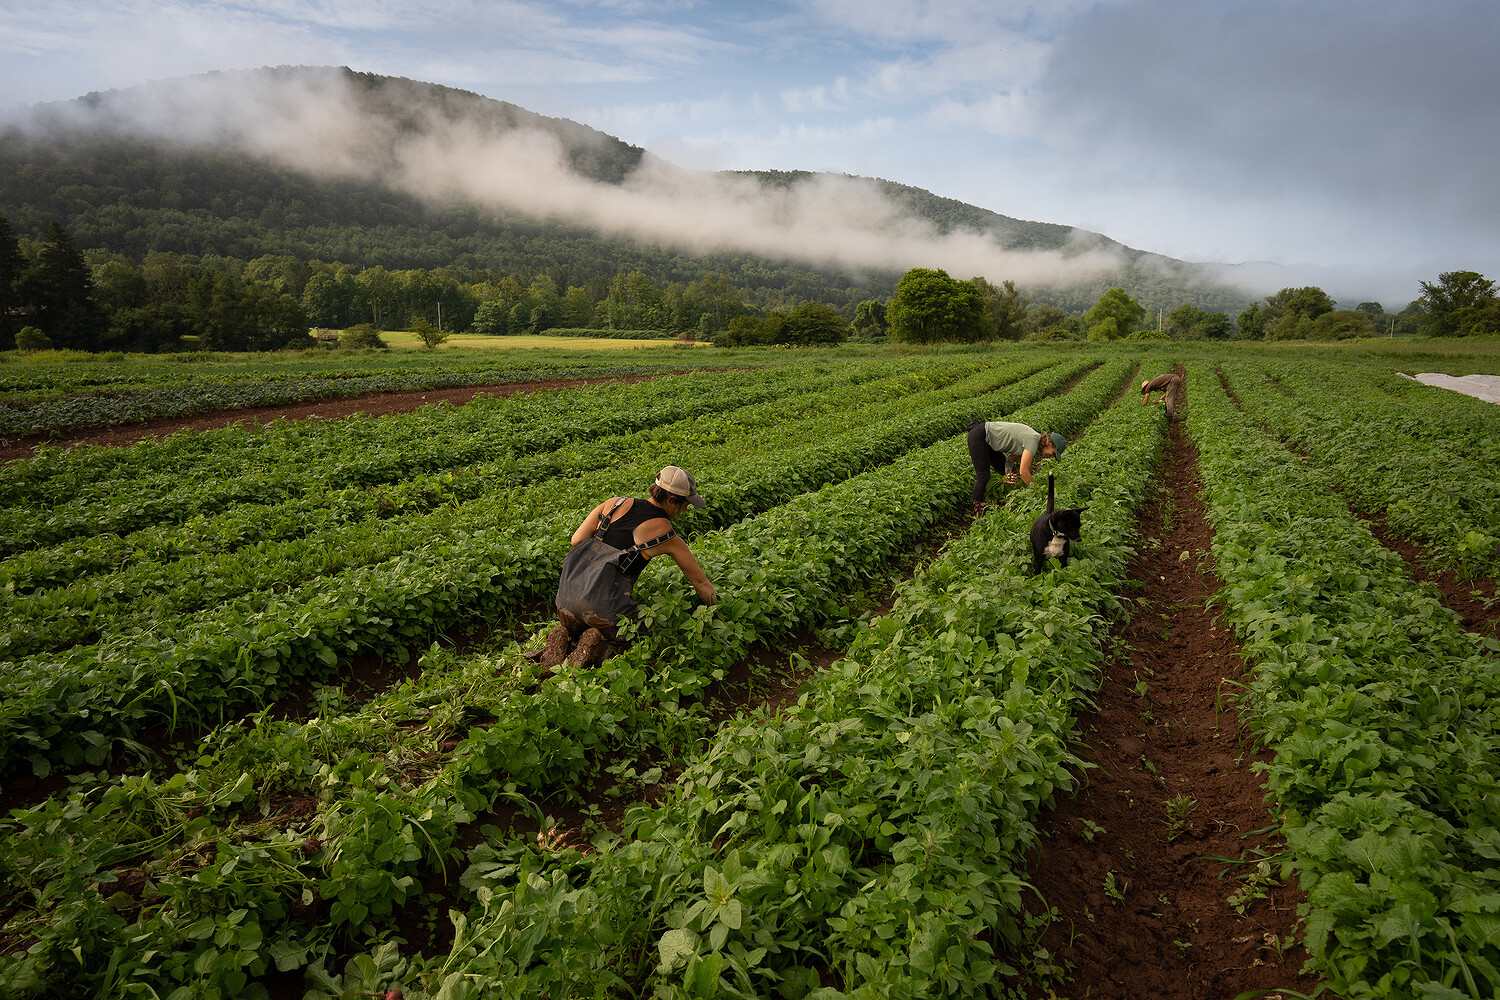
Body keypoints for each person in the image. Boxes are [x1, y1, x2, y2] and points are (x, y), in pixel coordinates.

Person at [540, 465, 718, 669]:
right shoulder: (667, 534)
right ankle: (600, 648)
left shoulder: (614, 503)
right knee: (640, 644)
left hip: (566, 597)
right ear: (671, 500)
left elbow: (576, 540)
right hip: (603, 607)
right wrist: (718, 615)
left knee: (582, 624)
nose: (684, 510)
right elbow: (701, 582)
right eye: (684, 505)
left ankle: (567, 637)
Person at [967, 419, 1066, 515]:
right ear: (1049, 443)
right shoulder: (1032, 441)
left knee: (1006, 473)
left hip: (986, 440)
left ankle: (998, 506)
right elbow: (1024, 472)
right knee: (983, 476)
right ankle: (978, 513)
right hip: (980, 436)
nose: (1052, 456)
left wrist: (1007, 474)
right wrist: (1037, 491)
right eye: (1053, 453)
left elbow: (1010, 459)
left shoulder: (1032, 441)